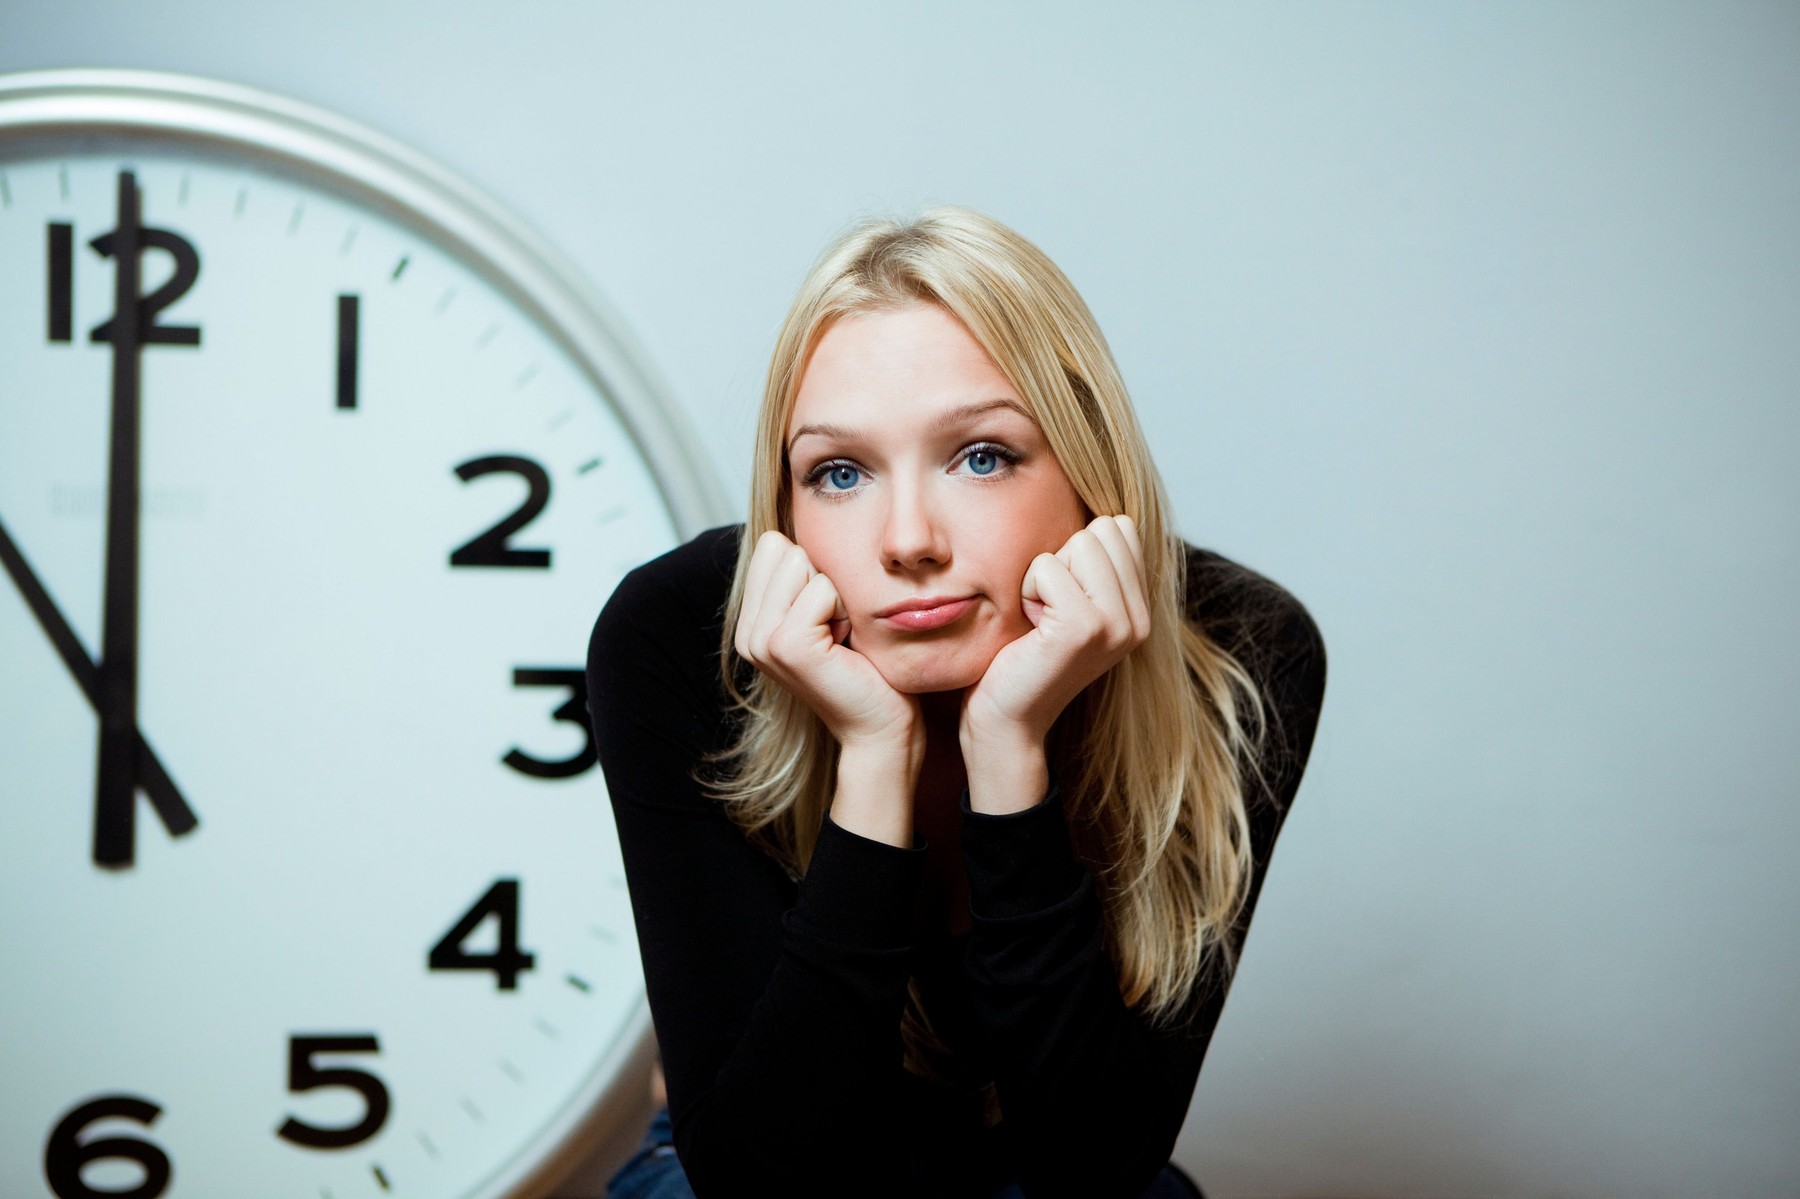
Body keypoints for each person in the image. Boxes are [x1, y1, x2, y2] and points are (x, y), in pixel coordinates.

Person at [585, 207, 1325, 1199]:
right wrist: (874, 761)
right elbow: (766, 1180)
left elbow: (1091, 1170)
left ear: (1088, 463)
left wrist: (1008, 747)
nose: (906, 538)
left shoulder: (1237, 652)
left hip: (1043, 1157)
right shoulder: (678, 636)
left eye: (981, 454)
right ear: (787, 508)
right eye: (838, 472)